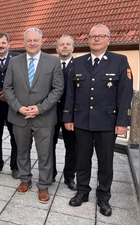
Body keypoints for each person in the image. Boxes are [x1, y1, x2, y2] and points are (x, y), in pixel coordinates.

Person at [63, 24, 133, 217]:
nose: (96, 39)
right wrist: (68, 116)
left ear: (108, 39)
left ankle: (103, 197)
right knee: (82, 160)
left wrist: (122, 121)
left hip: (107, 122)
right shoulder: (78, 63)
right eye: (92, 37)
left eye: (101, 36)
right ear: (88, 40)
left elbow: (125, 94)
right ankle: (82, 192)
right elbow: (70, 93)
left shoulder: (119, 61)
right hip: (82, 121)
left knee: (105, 162)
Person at [3, 28, 64, 203]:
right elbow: (7, 88)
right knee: (22, 151)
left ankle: (43, 185)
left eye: (35, 40)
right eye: (29, 40)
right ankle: (25, 179)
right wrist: (18, 107)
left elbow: (58, 89)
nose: (32, 43)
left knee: (45, 154)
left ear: (41, 41)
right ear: (24, 42)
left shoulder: (53, 62)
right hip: (19, 116)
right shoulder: (14, 62)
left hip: (43, 117)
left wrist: (40, 108)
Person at [0, 32, 20, 179]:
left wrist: (9, 94)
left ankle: (15, 166)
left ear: (8, 44)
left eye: (3, 43)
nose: (0, 46)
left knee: (15, 137)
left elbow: (21, 79)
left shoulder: (18, 58)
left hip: (13, 104)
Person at [52, 34, 77, 190]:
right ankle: (51, 173)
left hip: (71, 114)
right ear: (57, 48)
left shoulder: (79, 65)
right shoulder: (50, 65)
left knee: (72, 147)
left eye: (68, 44)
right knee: (49, 145)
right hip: (52, 112)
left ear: (73, 48)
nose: (65, 47)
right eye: (62, 44)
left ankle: (69, 177)